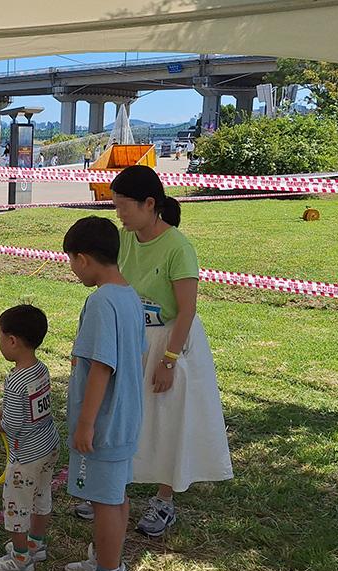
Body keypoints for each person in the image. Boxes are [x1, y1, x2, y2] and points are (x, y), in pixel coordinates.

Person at [72, 165, 232, 536]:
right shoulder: (126, 240)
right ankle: (113, 490)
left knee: (168, 421)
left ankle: (164, 500)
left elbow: (187, 309)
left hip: (170, 342)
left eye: (124, 206)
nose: (119, 214)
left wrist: (169, 360)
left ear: (149, 204)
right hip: (134, 336)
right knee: (127, 416)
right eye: (116, 205)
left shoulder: (178, 248)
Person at [58, 216, 145, 571]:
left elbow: (101, 366)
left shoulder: (100, 301)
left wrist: (87, 421)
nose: (73, 270)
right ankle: (108, 564)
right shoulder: (129, 295)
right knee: (115, 495)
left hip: (105, 422)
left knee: (107, 501)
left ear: (84, 258)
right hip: (125, 415)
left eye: (72, 261)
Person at [0, 305, 59, 571]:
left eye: (0, 337)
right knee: (42, 496)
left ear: (12, 341)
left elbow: (14, 426)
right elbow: (33, 407)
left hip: (26, 456)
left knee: (16, 507)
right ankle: (36, 544)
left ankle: (20, 559)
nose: (0, 343)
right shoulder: (41, 370)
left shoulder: (15, 381)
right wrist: (6, 411)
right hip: (48, 445)